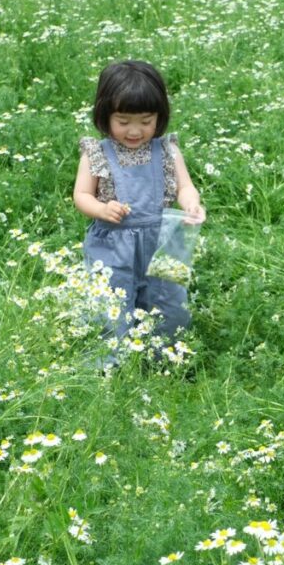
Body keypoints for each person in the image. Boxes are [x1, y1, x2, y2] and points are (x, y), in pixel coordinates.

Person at [73, 60, 205, 362]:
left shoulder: (167, 150)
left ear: (160, 117)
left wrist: (191, 204)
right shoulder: (96, 153)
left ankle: (164, 356)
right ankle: (109, 363)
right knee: (111, 302)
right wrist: (102, 209)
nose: (135, 131)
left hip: (163, 239)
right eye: (123, 121)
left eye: (146, 122)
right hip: (113, 243)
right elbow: (81, 195)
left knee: (167, 299)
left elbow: (186, 186)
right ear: (105, 116)